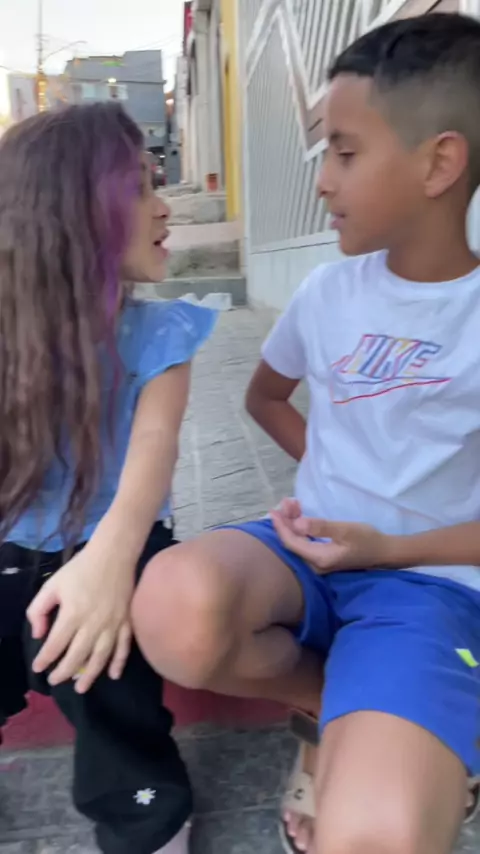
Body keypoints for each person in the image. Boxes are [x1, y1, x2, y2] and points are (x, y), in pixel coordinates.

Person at [131, 12, 480, 854]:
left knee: (375, 836)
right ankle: (338, 708)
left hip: (432, 584)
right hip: (308, 553)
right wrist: (332, 480)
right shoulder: (328, 291)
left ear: (439, 163)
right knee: (174, 605)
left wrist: (385, 545)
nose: (323, 181)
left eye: (346, 153)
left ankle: (395, 729)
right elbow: (265, 397)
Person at [0, 103, 217, 854]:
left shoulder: (161, 335)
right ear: (68, 214)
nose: (164, 207)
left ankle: (146, 812)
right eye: (137, 188)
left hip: (116, 535)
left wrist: (107, 567)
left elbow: (153, 455)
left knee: (99, 657)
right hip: (13, 544)